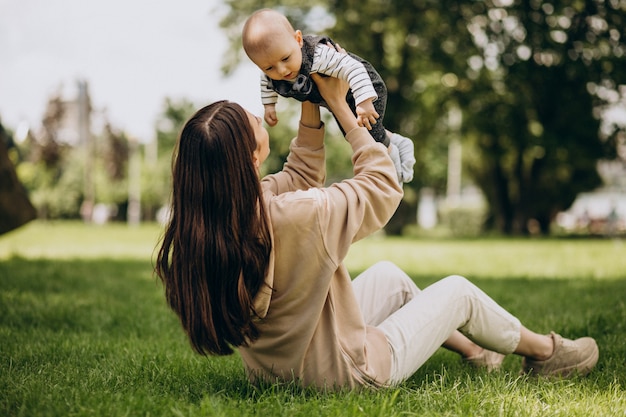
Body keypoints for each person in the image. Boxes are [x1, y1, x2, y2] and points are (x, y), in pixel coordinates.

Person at [155, 73, 599, 390]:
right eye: (250, 120)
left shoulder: (225, 217)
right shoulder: (295, 215)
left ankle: (478, 353)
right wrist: (348, 116)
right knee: (459, 292)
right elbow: (382, 188)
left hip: (283, 366)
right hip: (346, 372)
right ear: (250, 158)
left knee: (388, 276)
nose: (258, 115)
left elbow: (300, 175)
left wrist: (312, 98)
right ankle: (548, 354)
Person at [241, 8, 415, 184]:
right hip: (339, 99)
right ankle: (398, 141)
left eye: (286, 59)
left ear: (298, 40)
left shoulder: (319, 55)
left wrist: (364, 101)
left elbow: (354, 68)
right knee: (351, 131)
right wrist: (269, 105)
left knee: (369, 133)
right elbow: (266, 83)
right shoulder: (271, 71)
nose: (281, 70)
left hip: (365, 87)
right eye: (269, 68)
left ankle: (393, 163)